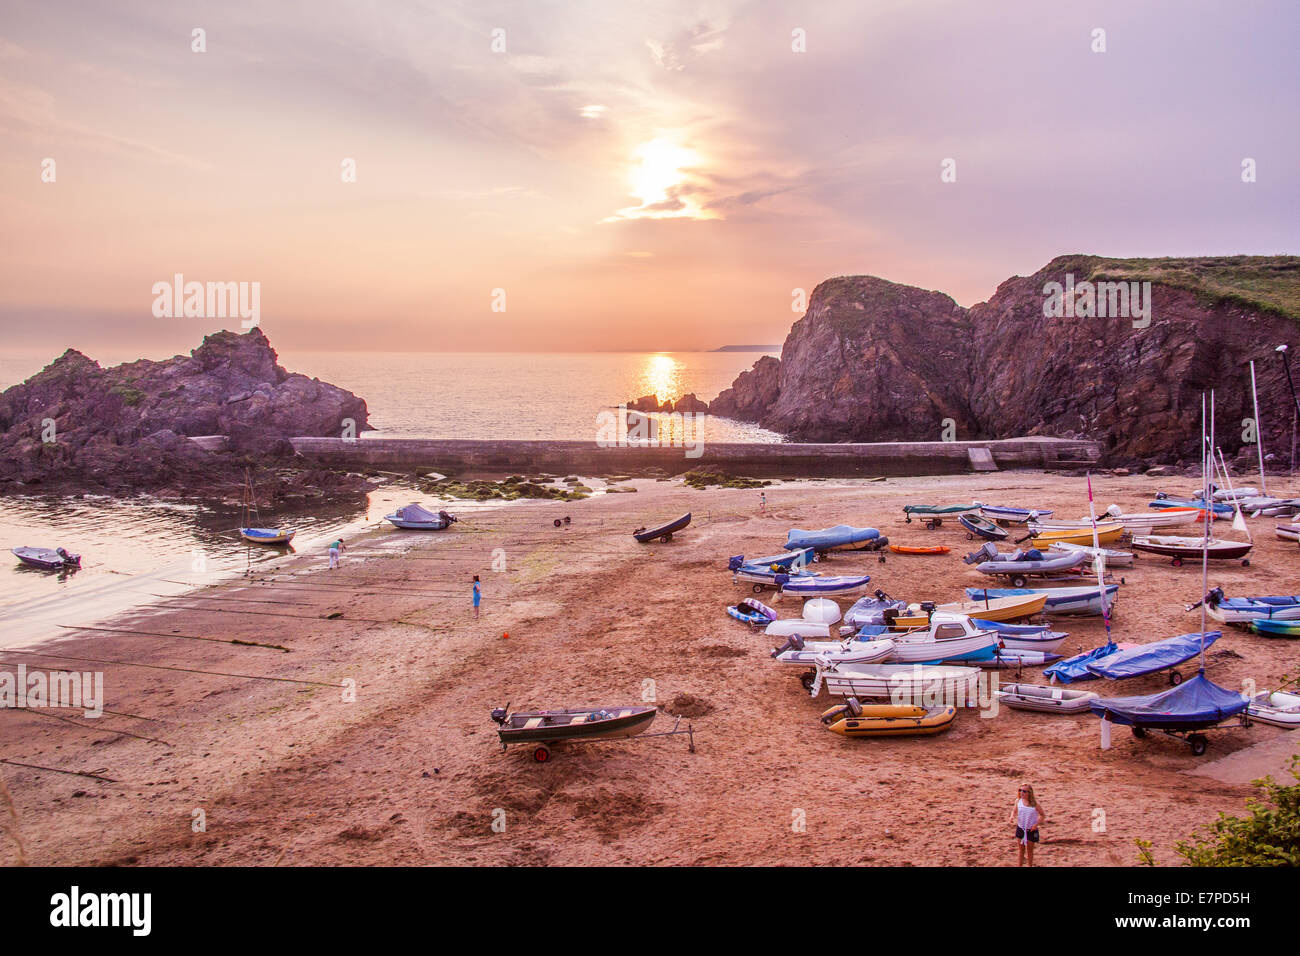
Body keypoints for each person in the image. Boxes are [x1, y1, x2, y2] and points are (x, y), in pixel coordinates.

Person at [1012, 784, 1044, 866]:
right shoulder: (1018, 801)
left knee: (1029, 850)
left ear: (1029, 793)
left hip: (1031, 829)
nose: (1021, 793)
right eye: (1020, 790)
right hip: (1021, 828)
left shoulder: (1034, 804)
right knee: (1021, 850)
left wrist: (1036, 825)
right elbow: (1014, 811)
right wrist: (1012, 816)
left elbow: (1042, 815)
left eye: (1024, 791)